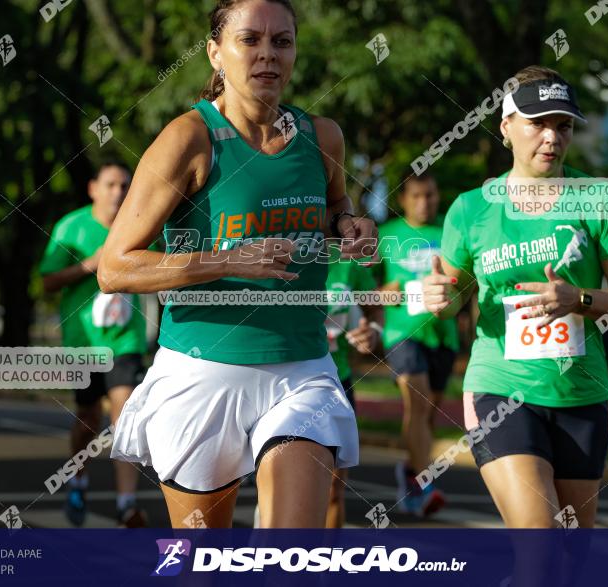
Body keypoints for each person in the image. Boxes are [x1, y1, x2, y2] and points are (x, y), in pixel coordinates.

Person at [100, 0, 377, 528]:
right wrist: (225, 261)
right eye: (249, 40)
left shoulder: (321, 136)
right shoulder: (190, 138)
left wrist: (350, 225)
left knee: (291, 554)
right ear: (216, 53)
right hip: (204, 372)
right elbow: (115, 267)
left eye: (282, 42)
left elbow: (337, 206)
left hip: (302, 367)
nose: (267, 55)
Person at [422, 65, 608, 530]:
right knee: (540, 537)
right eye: (538, 122)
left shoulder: (596, 198)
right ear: (506, 127)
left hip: (580, 393)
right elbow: (450, 296)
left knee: (570, 556)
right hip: (499, 387)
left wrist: (579, 299)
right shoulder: (471, 208)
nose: (551, 137)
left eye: (562, 125)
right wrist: (438, 298)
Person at [39, 160, 148, 528]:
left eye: (124, 185)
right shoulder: (71, 227)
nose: (118, 192)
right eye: (111, 184)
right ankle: (79, 479)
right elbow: (47, 282)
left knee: (124, 417)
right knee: (87, 421)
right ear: (93, 189)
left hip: (126, 338)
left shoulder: (139, 221)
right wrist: (90, 265)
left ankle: (125, 504)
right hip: (84, 342)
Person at [376, 174, 459, 517]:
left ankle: (410, 473)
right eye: (417, 196)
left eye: (430, 194)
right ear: (404, 200)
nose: (425, 202)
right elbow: (362, 291)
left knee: (429, 414)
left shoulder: (451, 233)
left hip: (443, 333)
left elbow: (466, 284)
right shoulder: (386, 236)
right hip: (401, 333)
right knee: (418, 403)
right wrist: (384, 293)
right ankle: (425, 487)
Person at [323, 247, 383, 528]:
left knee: (334, 489)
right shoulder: (276, 249)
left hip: (337, 381)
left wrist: (372, 332)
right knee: (276, 486)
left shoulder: (347, 263)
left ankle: (327, 569)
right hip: (282, 380)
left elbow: (375, 307)